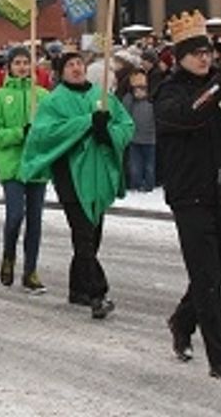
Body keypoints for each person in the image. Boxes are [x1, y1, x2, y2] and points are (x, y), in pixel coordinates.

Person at [155, 10, 221, 383]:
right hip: (191, 196)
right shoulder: (170, 92)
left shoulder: (220, 91)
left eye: (208, 52)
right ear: (180, 57)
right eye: (196, 53)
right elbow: (189, 116)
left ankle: (183, 319)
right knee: (206, 277)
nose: (204, 58)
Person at [21, 51, 133, 319]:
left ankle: (78, 289)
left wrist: (107, 132)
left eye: (79, 64)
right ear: (61, 72)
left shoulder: (102, 96)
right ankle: (97, 293)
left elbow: (126, 126)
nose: (76, 68)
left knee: (92, 237)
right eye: (70, 65)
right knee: (83, 236)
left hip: (99, 175)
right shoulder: (54, 100)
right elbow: (45, 134)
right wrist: (86, 123)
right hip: (70, 176)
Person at [0, 46, 49, 293]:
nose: (22, 67)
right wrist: (20, 133)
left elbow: (52, 128)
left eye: (26, 62)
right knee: (15, 216)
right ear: (9, 67)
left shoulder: (42, 96)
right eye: (17, 63)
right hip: (11, 165)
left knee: (35, 220)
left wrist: (40, 135)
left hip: (37, 165)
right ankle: (8, 255)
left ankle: (30, 270)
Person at [123, 68, 157, 192]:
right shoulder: (129, 97)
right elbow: (125, 112)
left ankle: (148, 185)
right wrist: (132, 97)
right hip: (135, 137)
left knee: (149, 165)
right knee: (135, 165)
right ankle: (135, 184)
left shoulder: (153, 97)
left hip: (150, 138)